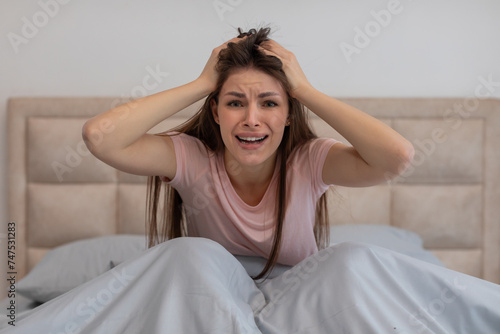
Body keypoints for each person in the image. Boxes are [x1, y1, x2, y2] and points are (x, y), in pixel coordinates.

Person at [82, 27, 414, 279]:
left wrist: (305, 90)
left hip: (299, 303)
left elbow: (396, 157)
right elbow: (100, 137)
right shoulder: (192, 158)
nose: (251, 120)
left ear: (288, 114)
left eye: (269, 103)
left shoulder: (308, 161)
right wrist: (201, 83)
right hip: (211, 300)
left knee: (352, 259)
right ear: (215, 111)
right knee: (182, 254)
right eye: (235, 103)